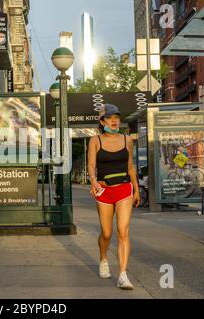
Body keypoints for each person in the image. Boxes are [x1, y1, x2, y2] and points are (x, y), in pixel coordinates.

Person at [87, 104, 140, 290]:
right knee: (107, 233)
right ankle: (103, 258)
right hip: (104, 191)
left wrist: (136, 189)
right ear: (102, 121)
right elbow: (92, 166)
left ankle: (123, 275)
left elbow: (131, 166)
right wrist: (93, 181)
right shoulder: (95, 141)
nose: (114, 120)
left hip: (124, 189)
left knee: (123, 231)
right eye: (109, 118)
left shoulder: (127, 140)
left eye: (116, 117)